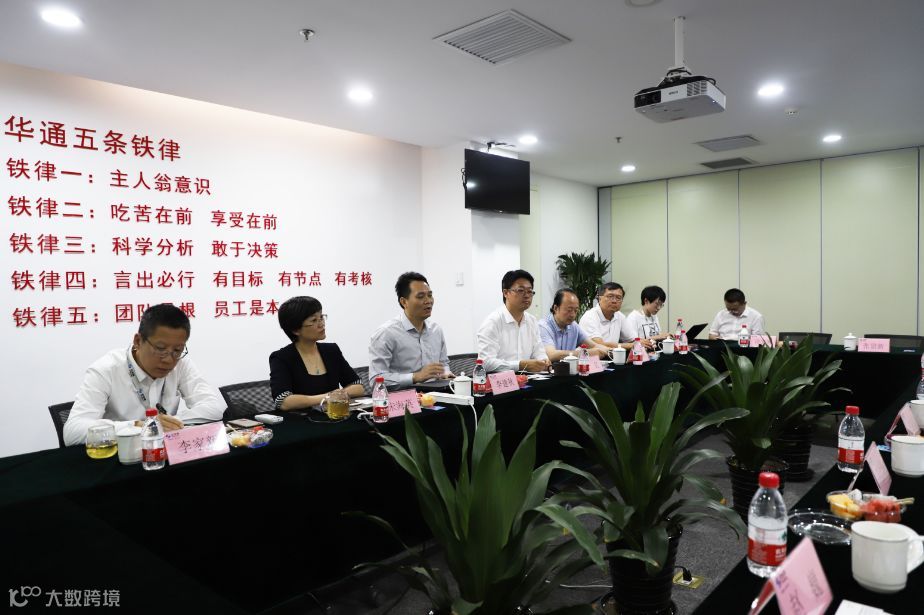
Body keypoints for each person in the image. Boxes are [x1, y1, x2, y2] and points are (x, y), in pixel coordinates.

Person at [63, 303, 225, 446]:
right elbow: (72, 432)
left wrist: (171, 423)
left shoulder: (181, 363)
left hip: (167, 455)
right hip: (122, 456)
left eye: (177, 350)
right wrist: (139, 426)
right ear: (138, 341)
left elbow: (213, 407)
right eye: (160, 349)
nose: (169, 359)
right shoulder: (106, 370)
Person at [270, 296, 365, 411]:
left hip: (335, 415)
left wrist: (338, 395)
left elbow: (357, 386)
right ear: (295, 330)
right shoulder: (281, 358)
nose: (321, 324)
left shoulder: (331, 350)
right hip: (301, 419)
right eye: (314, 320)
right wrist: (329, 397)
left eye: (321, 317)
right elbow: (284, 401)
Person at [368, 272, 451, 388]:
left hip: (438, 394)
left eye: (430, 295)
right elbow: (376, 380)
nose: (428, 301)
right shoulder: (386, 333)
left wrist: (445, 373)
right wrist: (415, 377)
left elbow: (443, 364)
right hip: (404, 397)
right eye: (420, 296)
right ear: (404, 302)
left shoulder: (436, 330)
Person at [476, 269, 550, 373]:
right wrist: (520, 365)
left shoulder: (532, 321)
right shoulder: (493, 322)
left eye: (530, 291)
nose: (527, 295)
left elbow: (539, 352)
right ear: (506, 293)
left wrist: (544, 361)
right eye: (521, 290)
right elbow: (485, 363)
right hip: (500, 381)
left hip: (529, 380)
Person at [538, 288, 609, 361]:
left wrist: (612, 351)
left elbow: (594, 346)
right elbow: (551, 355)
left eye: (576, 310)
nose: (573, 315)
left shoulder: (573, 326)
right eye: (569, 310)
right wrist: (586, 353)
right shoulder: (543, 326)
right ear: (556, 308)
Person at [579, 282, 634, 350]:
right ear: (600, 299)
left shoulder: (619, 316)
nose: (614, 301)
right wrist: (630, 345)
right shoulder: (589, 317)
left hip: (613, 355)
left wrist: (640, 343)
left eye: (618, 298)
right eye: (610, 296)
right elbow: (598, 345)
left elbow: (632, 340)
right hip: (591, 356)